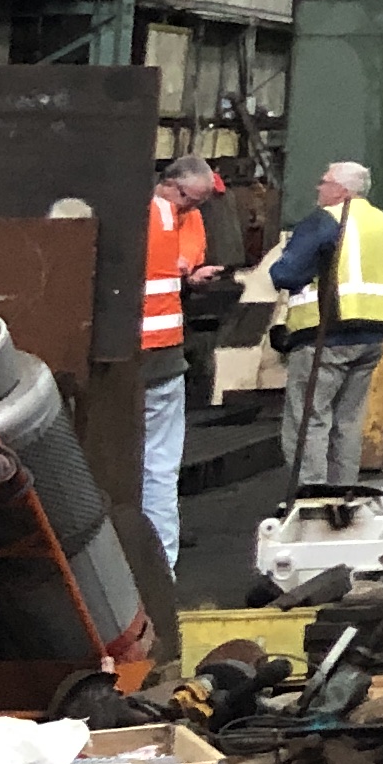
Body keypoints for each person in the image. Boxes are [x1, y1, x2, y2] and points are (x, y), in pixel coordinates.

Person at [272, 160, 383, 492]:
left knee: (309, 420)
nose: (319, 187)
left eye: (324, 182)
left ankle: (312, 496)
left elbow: (286, 274)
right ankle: (343, 494)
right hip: (372, 337)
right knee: (348, 421)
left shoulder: (324, 221)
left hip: (325, 336)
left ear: (342, 190)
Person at [139, 159, 222, 564]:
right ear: (170, 184)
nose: (192, 209)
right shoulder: (160, 215)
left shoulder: (172, 214)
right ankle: (160, 566)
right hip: (156, 359)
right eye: (190, 200)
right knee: (158, 466)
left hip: (153, 359)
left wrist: (187, 274)